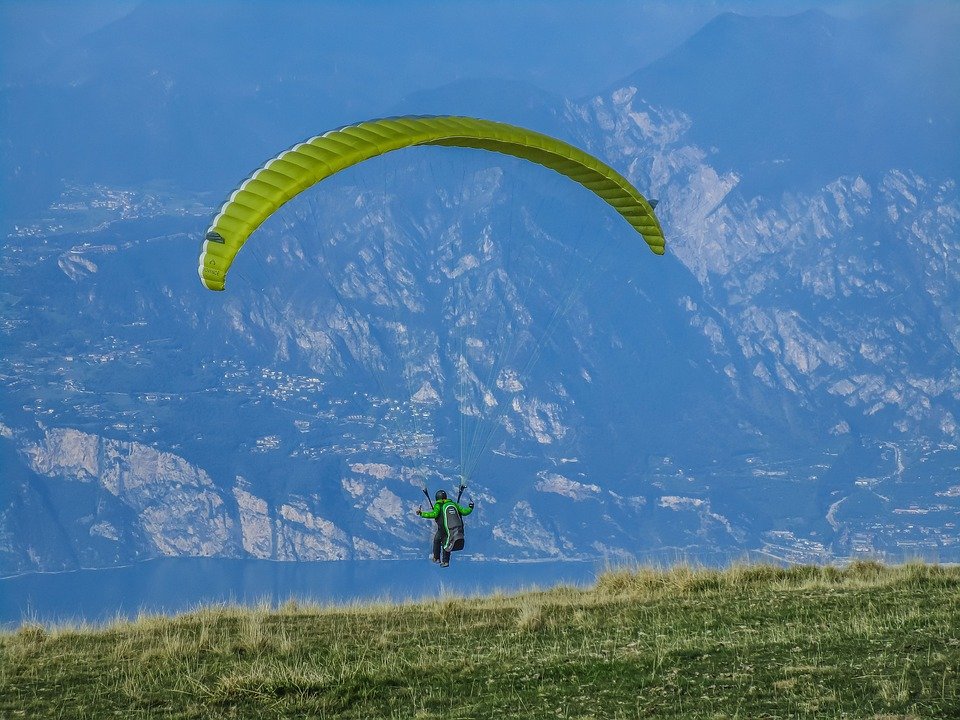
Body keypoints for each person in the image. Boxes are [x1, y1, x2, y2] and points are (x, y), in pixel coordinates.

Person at [416, 489, 474, 567]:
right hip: (451, 530)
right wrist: (471, 507)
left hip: (442, 529)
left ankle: (436, 558)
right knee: (446, 543)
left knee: (437, 540)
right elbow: (465, 512)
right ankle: (445, 561)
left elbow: (434, 514)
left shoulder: (438, 505)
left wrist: (422, 514)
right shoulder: (453, 504)